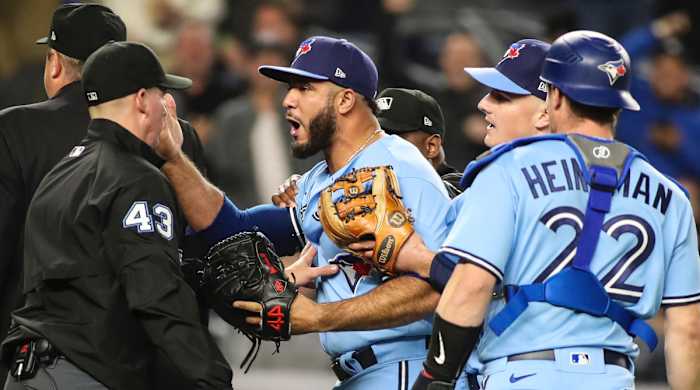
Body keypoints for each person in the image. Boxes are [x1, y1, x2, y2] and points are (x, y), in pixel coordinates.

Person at [377, 31, 700, 390]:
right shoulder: (672, 196)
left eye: (502, 96)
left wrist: (434, 379)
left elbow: (470, 287)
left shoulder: (508, 169)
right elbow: (688, 331)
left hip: (524, 374)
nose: (484, 104)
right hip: (613, 377)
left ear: (554, 98)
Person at [154, 36, 451, 389]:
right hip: (365, 372)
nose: (287, 100)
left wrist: (320, 316)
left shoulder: (399, 166)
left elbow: (442, 287)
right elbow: (236, 230)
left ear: (345, 100)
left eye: (304, 88)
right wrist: (172, 157)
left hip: (408, 367)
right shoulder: (320, 179)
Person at [1, 41, 232, 390]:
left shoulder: (62, 173)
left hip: (29, 371)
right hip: (82, 373)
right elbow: (158, 296)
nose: (167, 108)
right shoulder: (137, 179)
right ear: (141, 100)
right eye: (160, 94)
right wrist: (213, 378)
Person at [0, 4, 127, 385]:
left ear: (54, 63)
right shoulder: (171, 132)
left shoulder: (16, 129)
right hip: (139, 354)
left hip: (37, 357)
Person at [375, 88, 463, 198]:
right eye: (375, 137)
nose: (381, 145)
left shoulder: (463, 190)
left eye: (394, 139)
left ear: (431, 146)